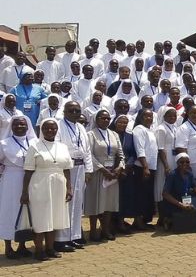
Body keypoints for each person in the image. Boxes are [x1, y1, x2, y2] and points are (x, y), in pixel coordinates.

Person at [21, 118, 72, 261]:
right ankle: (39, 250)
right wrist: (24, 192)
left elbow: (67, 169)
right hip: (40, 185)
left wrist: (69, 188)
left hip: (59, 184)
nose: (50, 131)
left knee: (55, 217)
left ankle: (50, 248)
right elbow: (28, 171)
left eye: (53, 128)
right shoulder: (34, 147)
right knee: (41, 218)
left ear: (57, 130)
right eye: (47, 128)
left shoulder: (63, 146)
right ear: (41, 130)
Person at [54, 101, 92, 251]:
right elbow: (57, 147)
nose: (75, 113)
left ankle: (74, 236)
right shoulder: (59, 126)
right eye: (72, 111)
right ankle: (60, 239)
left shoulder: (81, 127)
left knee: (77, 204)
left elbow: (87, 150)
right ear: (64, 112)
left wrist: (89, 170)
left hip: (81, 168)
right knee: (65, 202)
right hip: (66, 169)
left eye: (77, 111)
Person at [84, 110, 124, 242]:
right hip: (97, 172)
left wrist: (120, 167)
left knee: (109, 202)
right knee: (95, 201)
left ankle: (105, 229)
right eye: (103, 118)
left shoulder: (114, 134)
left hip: (112, 173)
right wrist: (101, 169)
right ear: (97, 119)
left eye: (108, 118)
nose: (106, 121)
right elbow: (89, 154)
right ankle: (93, 230)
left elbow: (120, 153)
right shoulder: (90, 134)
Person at [0, 116, 36, 258]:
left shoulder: (34, 142)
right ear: (11, 127)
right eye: (16, 124)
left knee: (26, 212)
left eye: (23, 124)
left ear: (28, 126)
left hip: (31, 180)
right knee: (8, 211)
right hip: (10, 181)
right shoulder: (3, 143)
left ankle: (22, 245)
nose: (20, 126)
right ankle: (8, 247)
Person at [160, 153, 196, 230]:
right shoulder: (172, 175)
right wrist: (181, 205)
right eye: (182, 162)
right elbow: (165, 194)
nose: (185, 164)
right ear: (177, 163)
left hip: (186, 199)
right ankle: (170, 220)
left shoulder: (189, 174)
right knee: (186, 210)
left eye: (187, 162)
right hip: (174, 202)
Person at [128, 109, 158, 230]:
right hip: (142, 167)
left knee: (146, 195)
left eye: (150, 116)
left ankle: (144, 220)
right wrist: (145, 167)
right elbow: (140, 149)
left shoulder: (149, 130)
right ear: (140, 117)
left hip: (151, 167)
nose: (149, 118)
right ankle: (138, 221)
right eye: (146, 116)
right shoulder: (139, 129)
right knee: (140, 195)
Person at [175, 105, 196, 181]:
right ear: (188, 113)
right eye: (193, 113)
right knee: (193, 185)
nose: (195, 115)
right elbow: (181, 148)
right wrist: (186, 164)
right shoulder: (183, 127)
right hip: (192, 162)